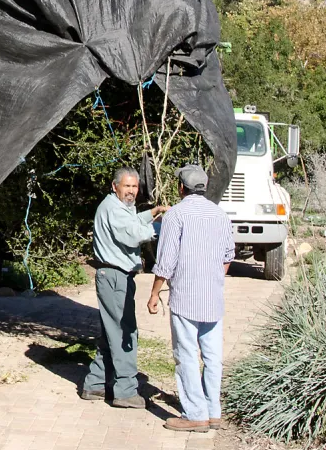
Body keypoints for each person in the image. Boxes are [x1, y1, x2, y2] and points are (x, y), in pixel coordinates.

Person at [148, 164, 234, 431]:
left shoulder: (176, 215)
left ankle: (195, 414)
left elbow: (165, 261)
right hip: (213, 296)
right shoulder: (220, 214)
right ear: (204, 187)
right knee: (212, 356)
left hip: (186, 296)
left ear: (180, 187)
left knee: (185, 354)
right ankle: (213, 410)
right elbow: (228, 256)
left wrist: (154, 293)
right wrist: (215, 280)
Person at [81, 167, 170, 408]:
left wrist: (152, 212)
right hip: (115, 277)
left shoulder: (118, 207)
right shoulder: (113, 209)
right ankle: (125, 391)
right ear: (114, 186)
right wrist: (164, 226)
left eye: (134, 187)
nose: (132, 191)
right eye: (127, 186)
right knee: (124, 333)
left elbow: (131, 220)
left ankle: (96, 384)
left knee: (112, 331)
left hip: (115, 276)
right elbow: (132, 235)